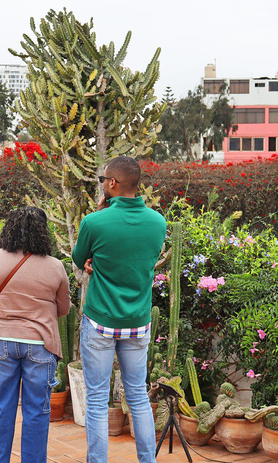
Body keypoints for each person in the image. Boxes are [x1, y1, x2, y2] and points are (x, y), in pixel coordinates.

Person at [71, 156, 167, 463]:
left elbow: (78, 257)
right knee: (138, 395)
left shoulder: (94, 222)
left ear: (111, 183)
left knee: (97, 400)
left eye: (102, 180)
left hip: (100, 319)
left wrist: (101, 218)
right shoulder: (158, 222)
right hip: (138, 320)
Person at [0, 206, 71, 463]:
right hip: (40, 342)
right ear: (43, 232)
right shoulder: (55, 266)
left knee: (1, 407)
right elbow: (64, 309)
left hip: (1, 341)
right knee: (37, 410)